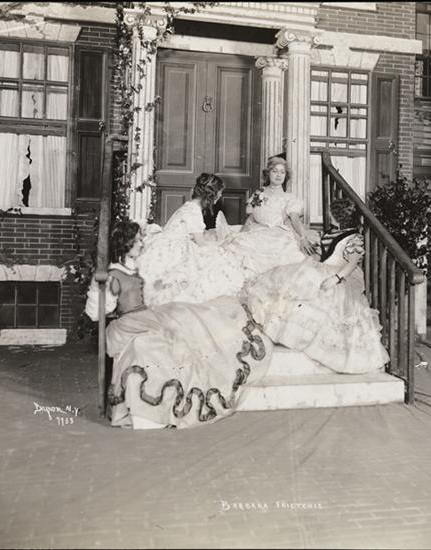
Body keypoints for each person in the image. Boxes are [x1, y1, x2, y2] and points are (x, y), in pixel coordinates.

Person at [84, 220, 273, 429]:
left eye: (140, 239)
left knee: (188, 320)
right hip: (130, 321)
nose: (141, 244)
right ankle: (149, 409)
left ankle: (166, 404)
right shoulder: (112, 274)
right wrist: (97, 290)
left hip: (147, 314)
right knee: (171, 332)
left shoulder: (134, 267)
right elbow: (97, 312)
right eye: (137, 240)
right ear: (125, 243)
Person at [241, 198, 389, 374]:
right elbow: (322, 256)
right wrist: (307, 262)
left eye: (331, 213)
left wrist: (335, 278)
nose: (329, 215)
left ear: (338, 215)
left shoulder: (354, 237)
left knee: (327, 301)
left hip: (342, 276)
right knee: (298, 284)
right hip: (324, 269)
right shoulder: (331, 233)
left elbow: (351, 263)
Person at [136, 173, 245, 306]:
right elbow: (201, 244)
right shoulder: (193, 212)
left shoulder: (190, 205)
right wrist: (220, 247)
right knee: (218, 260)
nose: (220, 196)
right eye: (219, 193)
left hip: (168, 243)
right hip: (172, 250)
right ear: (211, 195)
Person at [221, 156, 317, 279]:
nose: (278, 175)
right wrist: (240, 234)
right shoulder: (259, 193)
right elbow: (251, 218)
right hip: (257, 233)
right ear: (268, 174)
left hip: (279, 235)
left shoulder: (289, 198)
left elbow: (295, 220)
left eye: (282, 172)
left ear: (286, 175)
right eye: (275, 171)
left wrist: (303, 237)